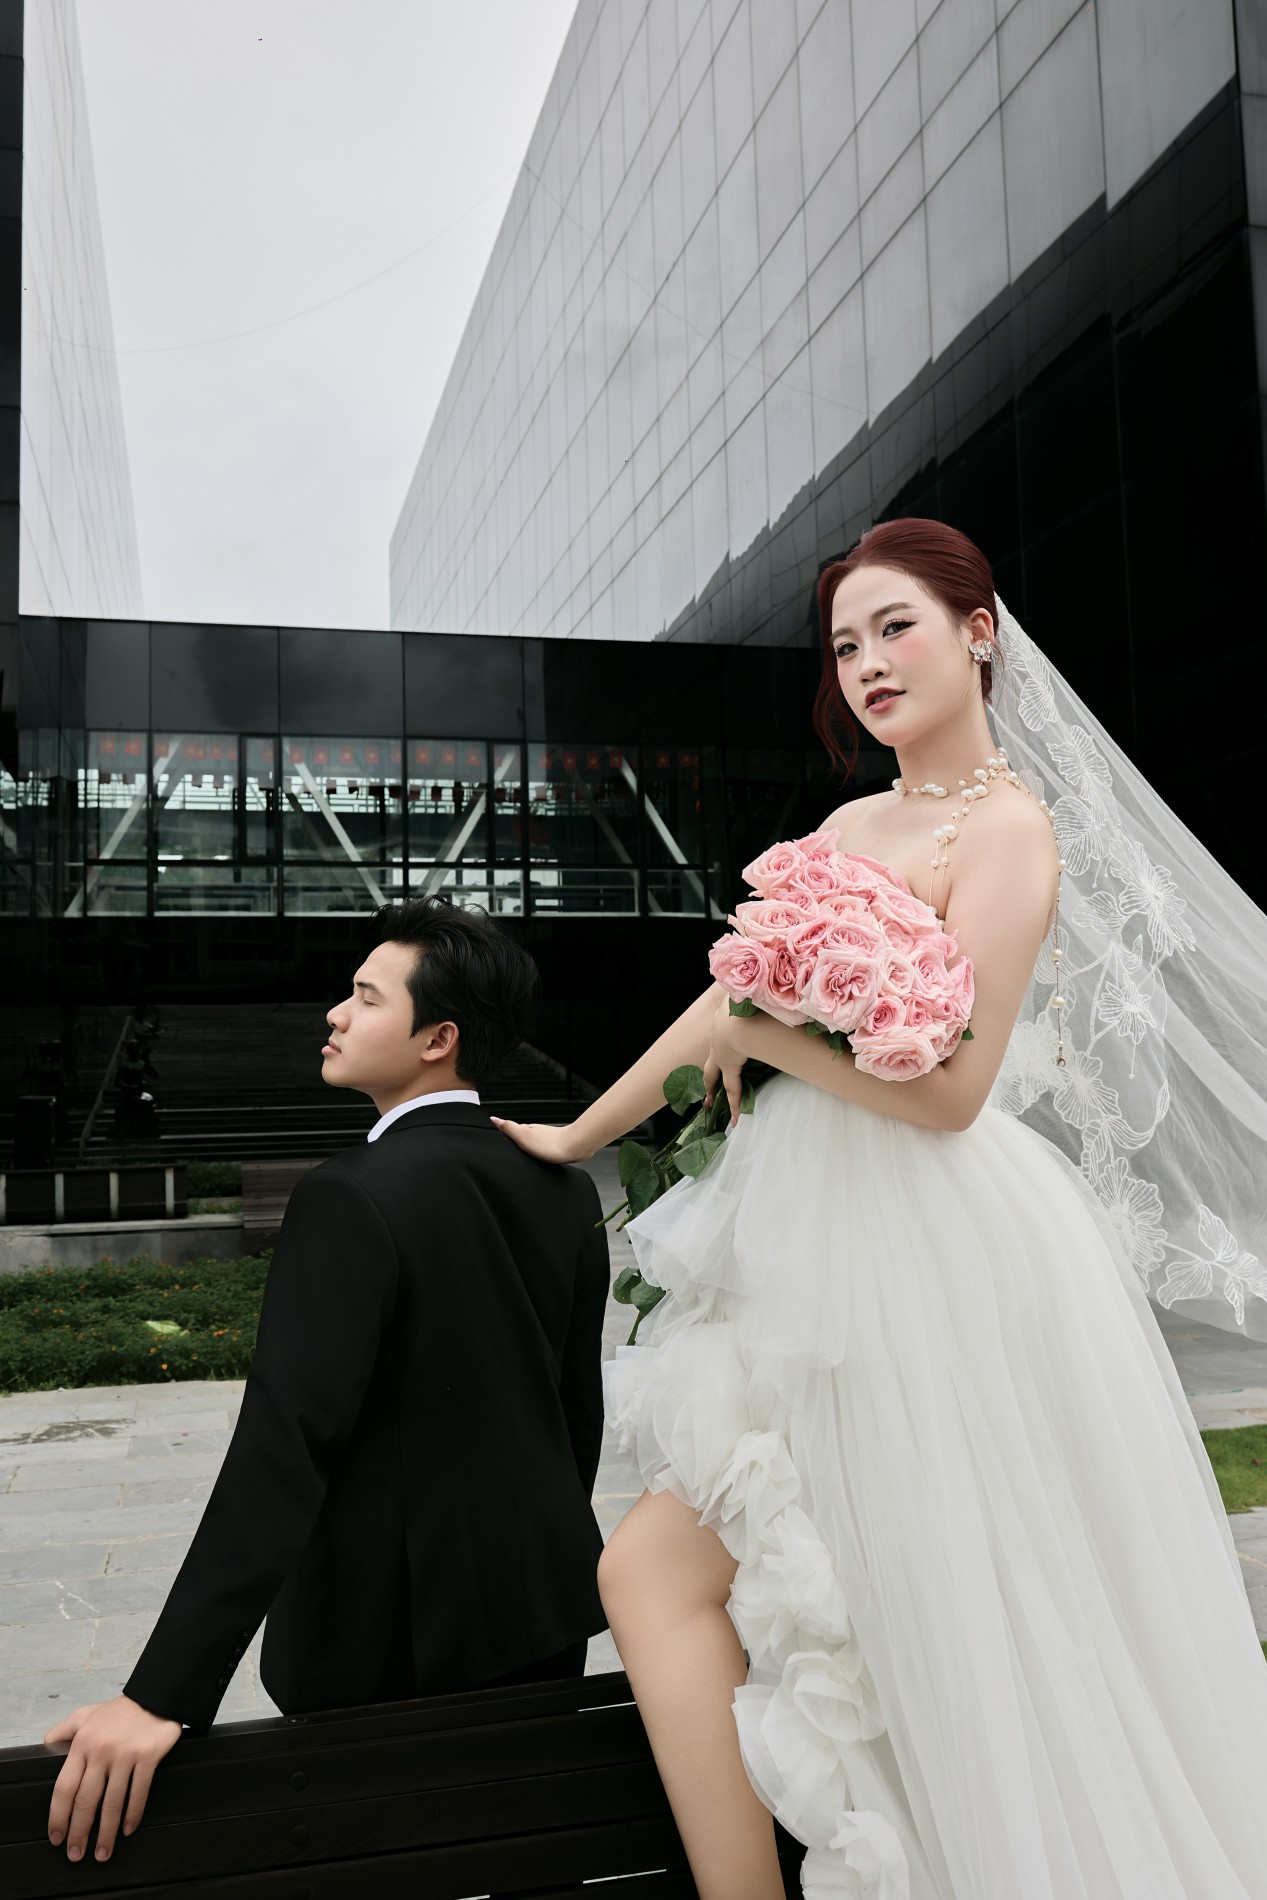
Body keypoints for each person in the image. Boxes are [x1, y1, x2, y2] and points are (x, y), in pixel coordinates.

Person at [494, 520, 1267, 1899]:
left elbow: (952, 1092)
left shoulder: (1011, 831)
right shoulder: (848, 827)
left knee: (930, 1609)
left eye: (895, 626)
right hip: (802, 1239)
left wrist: (773, 1041)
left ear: (978, 631)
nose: (866, 664)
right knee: (657, 1572)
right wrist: (576, 1132)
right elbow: (724, 1006)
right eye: (844, 644)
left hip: (933, 1248)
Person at [44, 896, 610, 1867]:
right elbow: (573, 1418)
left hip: (385, 1646)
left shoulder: (349, 1194)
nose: (335, 1014)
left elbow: (283, 1450)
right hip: (541, 1618)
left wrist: (160, 1694)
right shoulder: (562, 1188)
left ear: (438, 1038)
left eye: (365, 997)